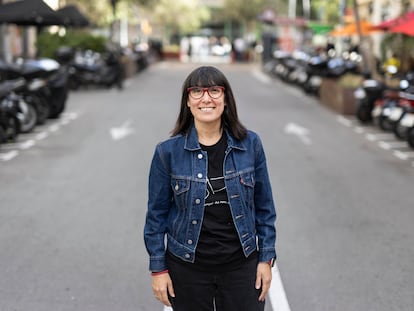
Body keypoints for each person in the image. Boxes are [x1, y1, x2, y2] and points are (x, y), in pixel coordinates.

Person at [143, 66, 277, 311]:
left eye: (214, 90)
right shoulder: (167, 152)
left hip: (241, 265)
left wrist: (265, 259)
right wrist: (158, 269)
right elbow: (156, 217)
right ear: (188, 102)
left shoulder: (250, 145)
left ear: (226, 99)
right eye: (197, 91)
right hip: (187, 268)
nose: (206, 98)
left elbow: (264, 208)